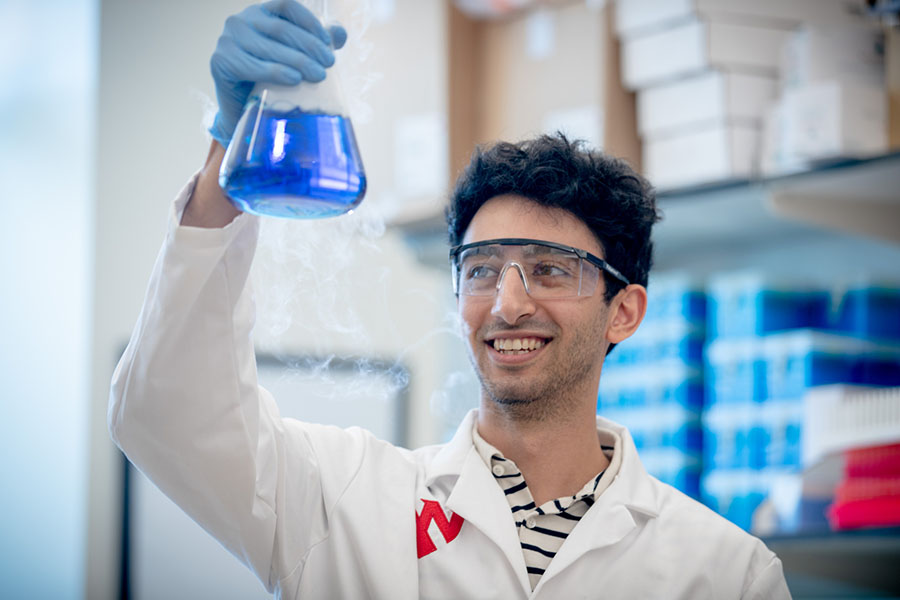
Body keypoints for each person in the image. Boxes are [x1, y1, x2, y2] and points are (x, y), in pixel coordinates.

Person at [109, 1, 792, 598]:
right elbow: (167, 413)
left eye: (552, 271)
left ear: (625, 311)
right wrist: (228, 153)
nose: (508, 304)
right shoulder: (339, 497)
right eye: (482, 269)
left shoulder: (726, 574)